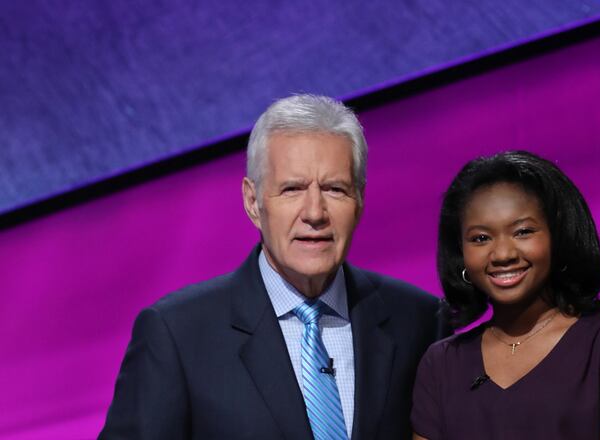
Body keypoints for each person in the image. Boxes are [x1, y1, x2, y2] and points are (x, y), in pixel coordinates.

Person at [100, 94, 448, 440]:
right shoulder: (177, 335)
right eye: (292, 189)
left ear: (360, 200)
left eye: (334, 189)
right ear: (253, 202)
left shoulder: (420, 321)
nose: (314, 213)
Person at [412, 151, 600, 440]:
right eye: (481, 238)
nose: (503, 254)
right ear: (461, 252)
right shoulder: (441, 365)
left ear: (558, 236)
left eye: (523, 232)